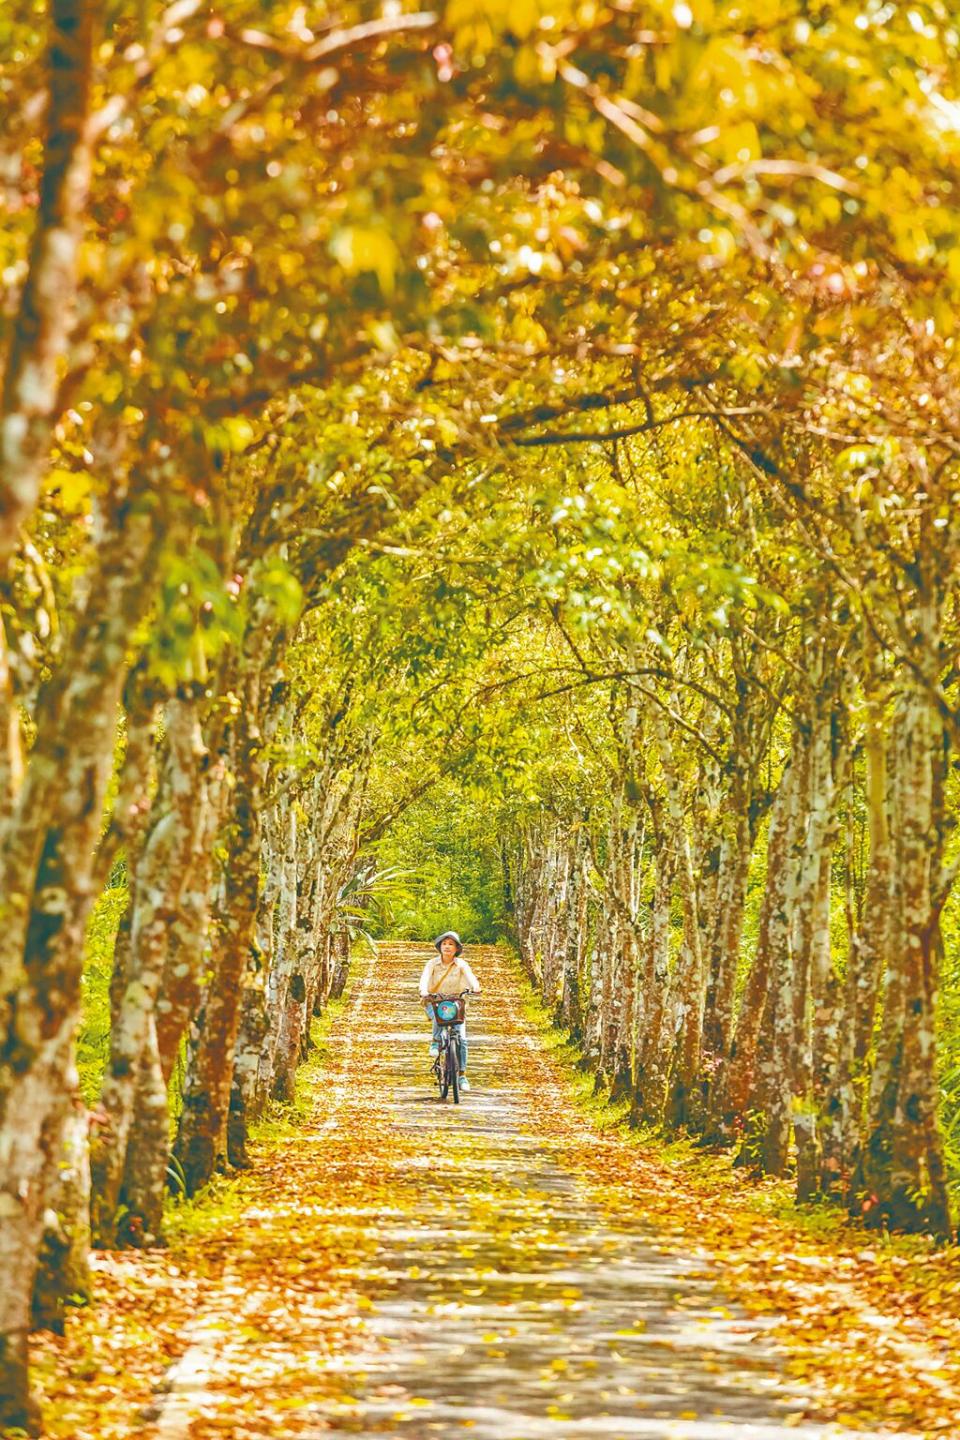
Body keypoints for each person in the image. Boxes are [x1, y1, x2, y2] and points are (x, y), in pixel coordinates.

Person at [419, 931, 481, 1091]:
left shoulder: (461, 964)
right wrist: (424, 991)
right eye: (444, 943)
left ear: (456, 948)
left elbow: (471, 977)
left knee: (462, 1039)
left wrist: (475, 987)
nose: (447, 946)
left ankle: (462, 1076)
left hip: (456, 1004)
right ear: (440, 947)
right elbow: (424, 979)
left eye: (451, 944)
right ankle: (436, 1042)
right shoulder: (432, 964)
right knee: (438, 1016)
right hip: (435, 1001)